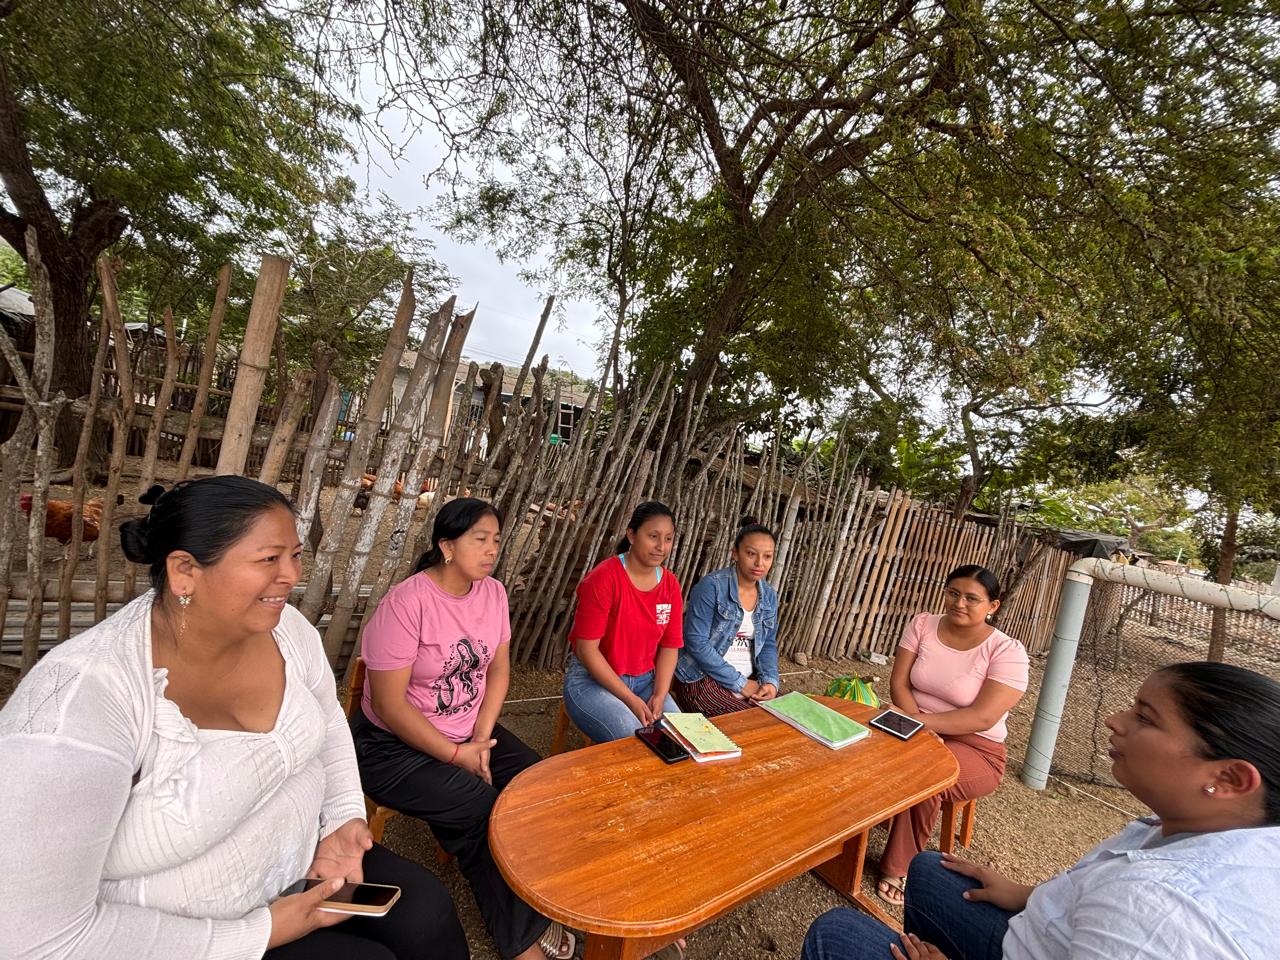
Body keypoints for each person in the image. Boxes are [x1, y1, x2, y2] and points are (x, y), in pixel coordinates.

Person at [0, 476, 467, 960]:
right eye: (269, 559)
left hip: (302, 859)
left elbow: (328, 720)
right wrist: (258, 934)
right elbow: (36, 936)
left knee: (426, 911)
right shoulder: (76, 711)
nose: (291, 575)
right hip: (181, 936)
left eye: (295, 555)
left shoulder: (287, 630)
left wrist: (341, 817)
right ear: (184, 571)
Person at [802, 661, 1280, 960]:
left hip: (964, 742)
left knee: (836, 932)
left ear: (1229, 779)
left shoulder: (1159, 914)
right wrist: (1030, 895)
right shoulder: (1200, 829)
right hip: (1040, 937)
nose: (1114, 720)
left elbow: (982, 718)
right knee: (931, 867)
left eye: (1144, 717)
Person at [349, 497, 573, 960]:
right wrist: (456, 756)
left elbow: (499, 671)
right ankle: (523, 940)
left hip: (467, 730)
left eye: (496, 541)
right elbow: (390, 705)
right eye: (480, 539)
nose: (492, 550)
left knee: (539, 784)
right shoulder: (407, 603)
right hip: (392, 746)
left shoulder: (493, 594)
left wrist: (480, 739)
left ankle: (542, 887)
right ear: (447, 547)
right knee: (480, 810)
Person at [877, 565, 1029, 905]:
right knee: (858, 746)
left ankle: (900, 866)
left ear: (993, 606)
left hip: (977, 748)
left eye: (972, 598)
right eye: (953, 593)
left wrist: (921, 727)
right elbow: (899, 683)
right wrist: (918, 726)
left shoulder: (1007, 651)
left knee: (929, 773)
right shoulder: (923, 624)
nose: (959, 603)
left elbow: (983, 716)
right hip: (914, 723)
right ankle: (848, 830)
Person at [562, 500, 684, 742]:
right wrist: (629, 699)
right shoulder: (603, 579)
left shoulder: (670, 585)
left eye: (668, 539)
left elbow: (670, 646)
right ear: (631, 535)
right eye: (653, 536)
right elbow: (587, 651)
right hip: (592, 682)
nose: (661, 546)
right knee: (636, 739)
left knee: (683, 737)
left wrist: (660, 694)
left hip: (646, 682)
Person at [673, 517, 781, 715]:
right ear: (735, 553)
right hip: (701, 678)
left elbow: (768, 644)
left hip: (750, 681)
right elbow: (696, 642)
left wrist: (770, 682)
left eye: (767, 556)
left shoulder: (769, 596)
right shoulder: (711, 587)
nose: (760, 563)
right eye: (751, 554)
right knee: (750, 724)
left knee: (784, 723)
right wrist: (740, 683)